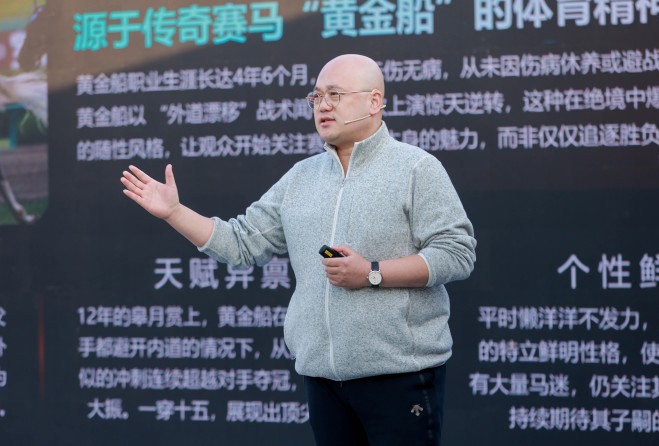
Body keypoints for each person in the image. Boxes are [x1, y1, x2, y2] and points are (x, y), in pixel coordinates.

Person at [121, 54, 476, 446]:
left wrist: (372, 273)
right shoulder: (300, 178)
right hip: (322, 379)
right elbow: (242, 242)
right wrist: (174, 212)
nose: (323, 106)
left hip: (400, 375)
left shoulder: (416, 168)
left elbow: (456, 253)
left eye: (335, 95)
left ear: (374, 101)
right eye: (316, 97)